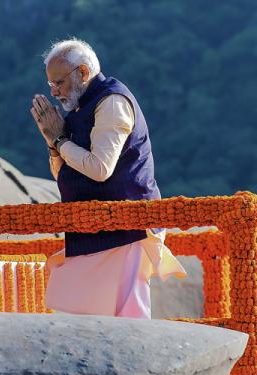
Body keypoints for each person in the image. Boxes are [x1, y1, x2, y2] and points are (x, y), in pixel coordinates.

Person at [29, 38, 186, 319]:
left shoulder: (112, 102)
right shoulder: (79, 110)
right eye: (51, 84)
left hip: (127, 229)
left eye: (59, 82)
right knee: (74, 308)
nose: (53, 92)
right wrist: (53, 143)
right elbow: (64, 173)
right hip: (93, 231)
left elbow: (100, 168)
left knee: (127, 316)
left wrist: (60, 140)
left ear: (83, 73)